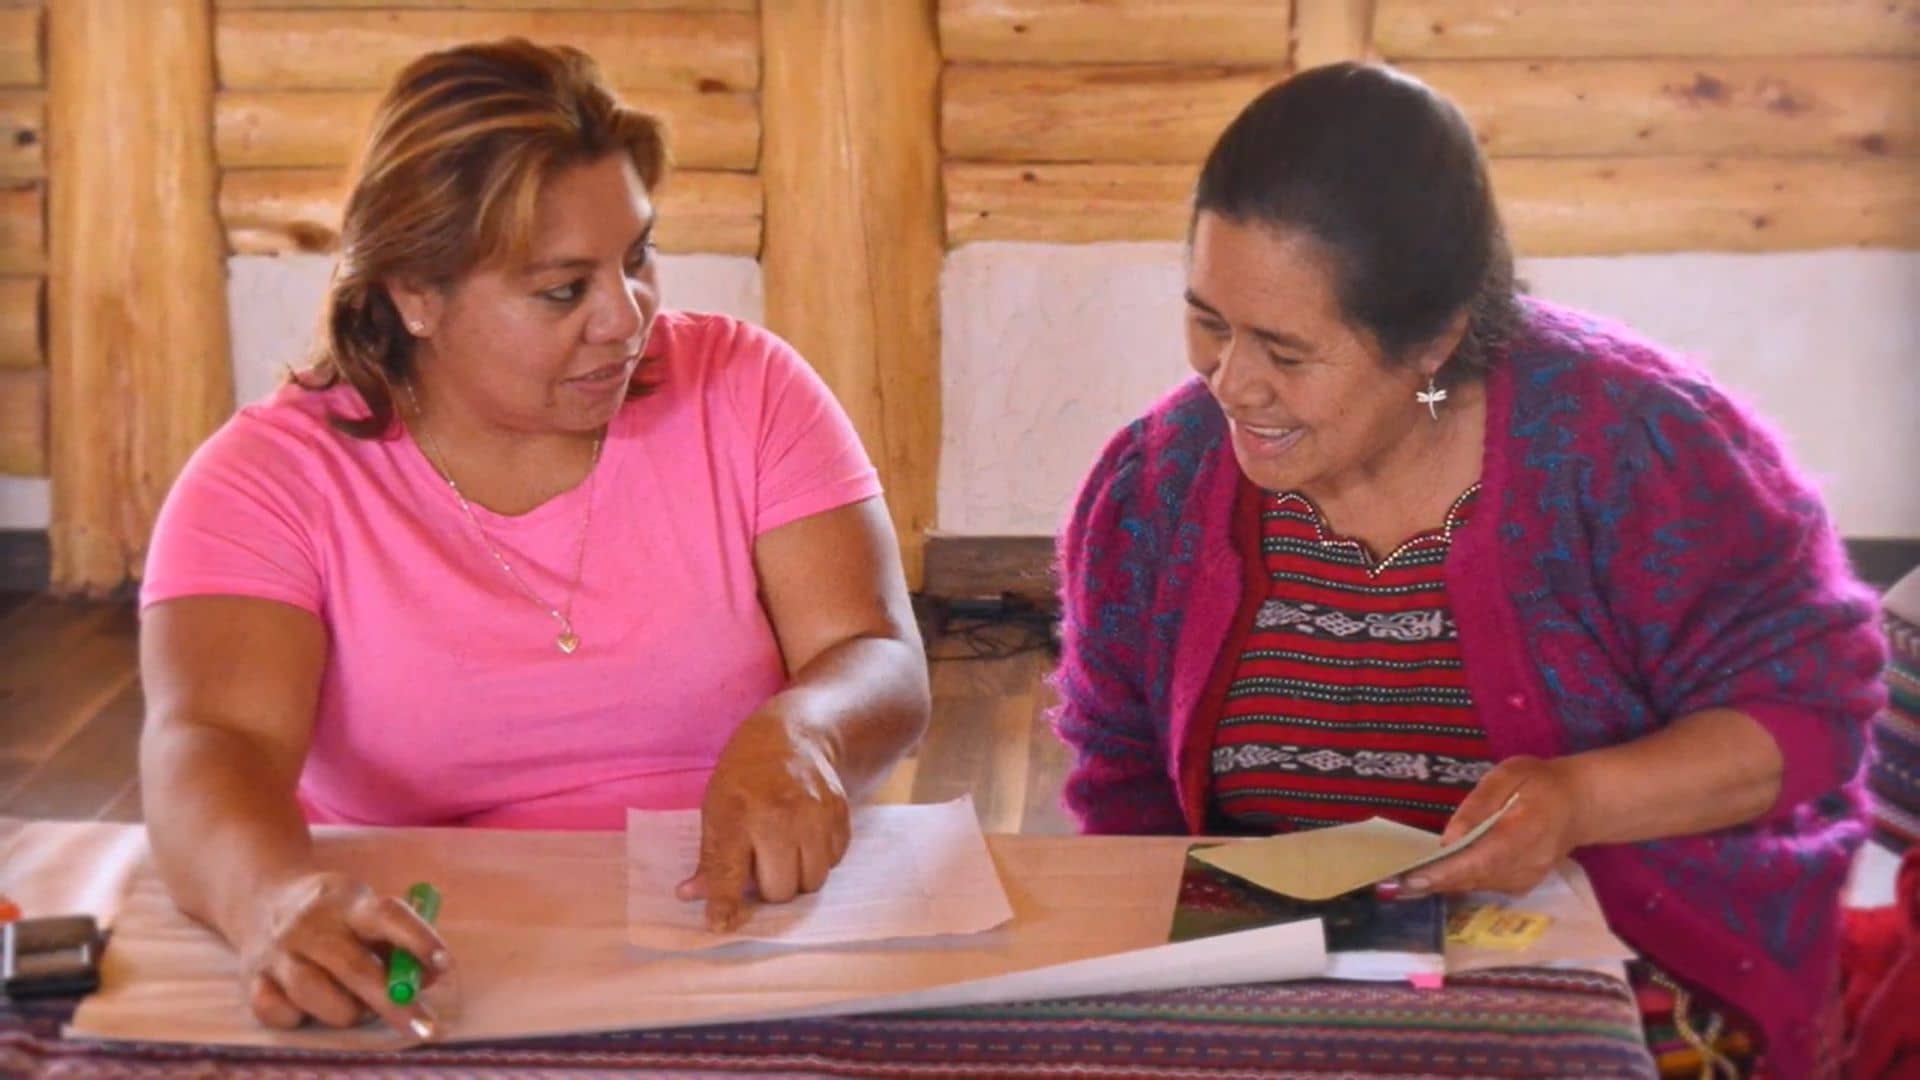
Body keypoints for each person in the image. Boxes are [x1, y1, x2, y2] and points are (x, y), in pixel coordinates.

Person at [1050, 63, 1885, 1079]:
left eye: (1286, 351)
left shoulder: (1638, 451)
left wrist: (1581, 799)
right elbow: (1122, 776)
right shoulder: (1160, 487)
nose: (1232, 384)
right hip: (1283, 983)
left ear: (1435, 340)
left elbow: (1809, 716)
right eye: (1209, 323)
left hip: (1627, 980)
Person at [138, 40, 929, 1039]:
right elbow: (212, 746)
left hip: (746, 928)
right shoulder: (269, 480)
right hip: (430, 962)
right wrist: (272, 901)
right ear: (414, 294)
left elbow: (875, 653)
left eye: (636, 258)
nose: (626, 317)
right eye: (564, 289)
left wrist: (808, 727)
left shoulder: (746, 386)